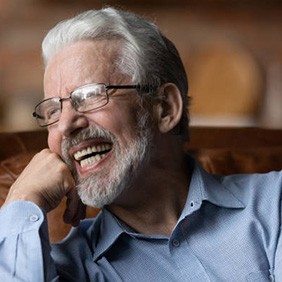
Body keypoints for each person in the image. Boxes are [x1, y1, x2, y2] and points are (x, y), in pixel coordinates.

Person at [0, 7, 281, 281]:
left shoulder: (273, 205)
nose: (64, 125)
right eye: (53, 111)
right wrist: (22, 200)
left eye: (89, 96)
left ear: (165, 108)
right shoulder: (65, 269)